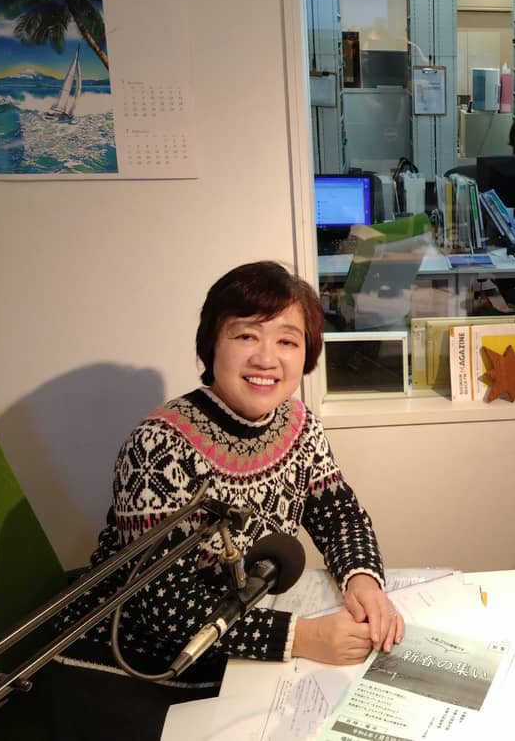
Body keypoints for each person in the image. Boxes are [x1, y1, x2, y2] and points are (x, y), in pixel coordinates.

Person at [49, 261, 403, 739]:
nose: (266, 358)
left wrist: (363, 580)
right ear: (212, 344)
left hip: (234, 644)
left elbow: (340, 516)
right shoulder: (158, 445)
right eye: (246, 336)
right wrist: (302, 638)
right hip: (136, 661)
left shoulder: (299, 425)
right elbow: (164, 605)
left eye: (287, 341)